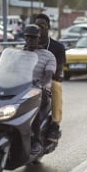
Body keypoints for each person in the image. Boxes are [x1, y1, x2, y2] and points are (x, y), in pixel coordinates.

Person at [22, 24, 57, 153]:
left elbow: (49, 76)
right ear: (24, 38)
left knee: (33, 105)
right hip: (18, 90)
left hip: (37, 91)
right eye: (28, 38)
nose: (30, 40)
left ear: (39, 39)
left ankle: (36, 140)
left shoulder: (48, 56)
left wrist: (45, 86)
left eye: (33, 38)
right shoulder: (19, 54)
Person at [33, 13, 65, 143]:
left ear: (48, 27)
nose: (39, 29)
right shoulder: (30, 44)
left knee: (56, 86)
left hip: (48, 81)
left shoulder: (57, 47)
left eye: (42, 26)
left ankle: (55, 125)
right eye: (36, 26)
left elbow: (60, 68)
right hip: (30, 81)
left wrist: (57, 74)